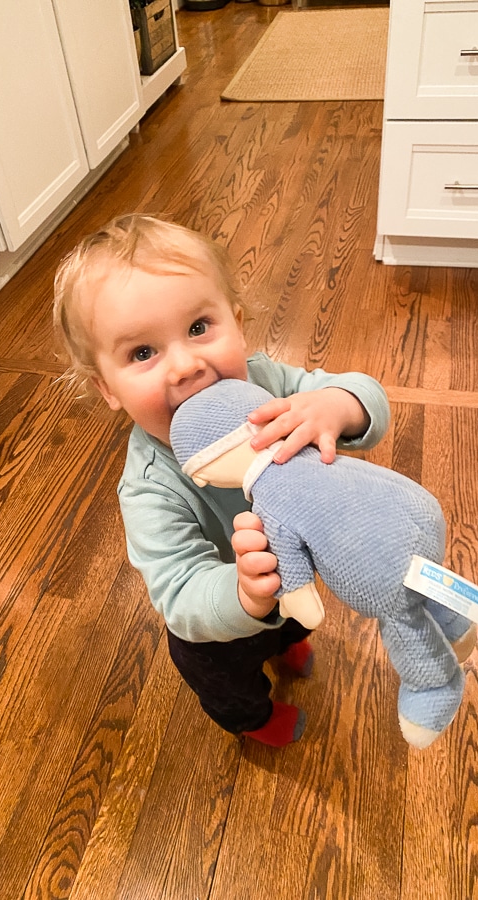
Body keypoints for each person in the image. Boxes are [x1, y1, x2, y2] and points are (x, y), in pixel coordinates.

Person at [53, 214, 391, 747]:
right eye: (142, 353)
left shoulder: (267, 382)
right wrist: (241, 596)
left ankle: (286, 641)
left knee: (293, 623)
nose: (185, 366)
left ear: (237, 323)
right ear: (108, 388)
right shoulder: (150, 487)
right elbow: (178, 590)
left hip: (294, 571)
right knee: (230, 683)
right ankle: (253, 719)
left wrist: (335, 406)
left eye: (198, 328)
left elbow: (366, 395)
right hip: (219, 623)